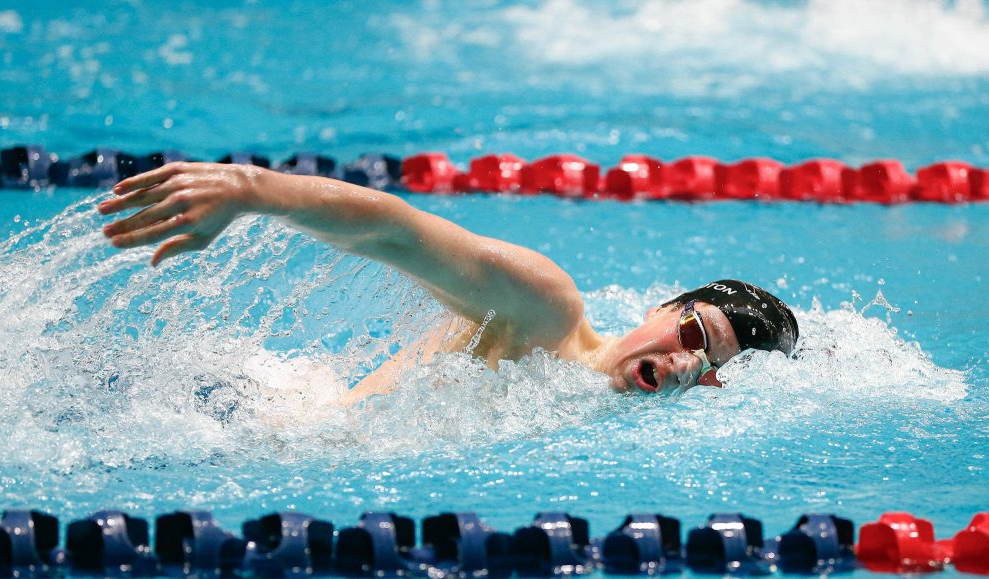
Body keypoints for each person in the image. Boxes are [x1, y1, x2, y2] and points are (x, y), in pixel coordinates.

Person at [98, 162, 798, 403]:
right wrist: (256, 190)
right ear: (661, 307)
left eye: (706, 363)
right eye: (691, 331)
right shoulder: (545, 309)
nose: (680, 359)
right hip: (244, 416)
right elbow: (399, 231)